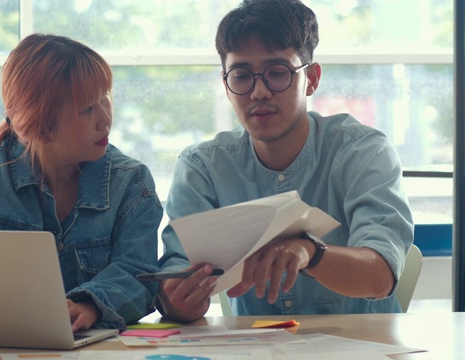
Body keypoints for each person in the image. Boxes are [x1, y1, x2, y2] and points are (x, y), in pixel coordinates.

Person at [157, 0, 414, 321]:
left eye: (278, 72)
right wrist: (176, 301)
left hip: (361, 347)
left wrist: (311, 252)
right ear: (226, 85)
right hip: (258, 347)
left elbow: (380, 275)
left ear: (313, 78)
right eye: (241, 75)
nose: (259, 91)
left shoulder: (362, 151)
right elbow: (175, 275)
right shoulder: (202, 167)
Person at [0, 34, 163, 331]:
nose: (105, 119)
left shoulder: (131, 183)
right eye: (87, 109)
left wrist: (91, 305)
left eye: (105, 98)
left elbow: (139, 274)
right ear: (39, 126)